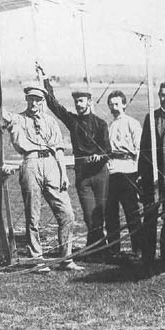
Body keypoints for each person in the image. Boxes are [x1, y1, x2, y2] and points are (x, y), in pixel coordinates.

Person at [3, 85, 82, 272]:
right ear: (26, 99)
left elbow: (59, 149)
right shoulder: (19, 119)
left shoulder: (50, 121)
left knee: (67, 214)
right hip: (31, 164)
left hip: (52, 164)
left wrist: (63, 174)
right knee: (33, 216)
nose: (34, 103)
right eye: (31, 99)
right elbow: (3, 116)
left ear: (43, 101)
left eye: (38, 100)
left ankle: (66, 258)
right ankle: (36, 259)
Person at [43, 75, 111, 253]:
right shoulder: (73, 121)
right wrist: (45, 81)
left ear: (89, 101)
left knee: (99, 216)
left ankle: (96, 249)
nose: (78, 104)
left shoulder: (101, 124)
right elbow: (54, 106)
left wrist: (99, 156)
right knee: (89, 216)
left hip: (101, 175)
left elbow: (107, 150)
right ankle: (99, 249)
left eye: (81, 101)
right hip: (83, 176)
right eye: (76, 102)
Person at [138, 81, 165, 267]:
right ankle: (147, 255)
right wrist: (141, 173)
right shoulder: (151, 117)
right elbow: (144, 147)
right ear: (158, 96)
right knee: (149, 216)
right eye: (163, 95)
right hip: (152, 176)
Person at [104, 90, 143, 257]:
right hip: (112, 171)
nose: (114, 107)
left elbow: (139, 149)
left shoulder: (132, 123)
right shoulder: (109, 125)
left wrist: (139, 172)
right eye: (111, 105)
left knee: (131, 211)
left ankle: (139, 248)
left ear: (124, 104)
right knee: (110, 212)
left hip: (128, 170)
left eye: (117, 104)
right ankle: (114, 249)